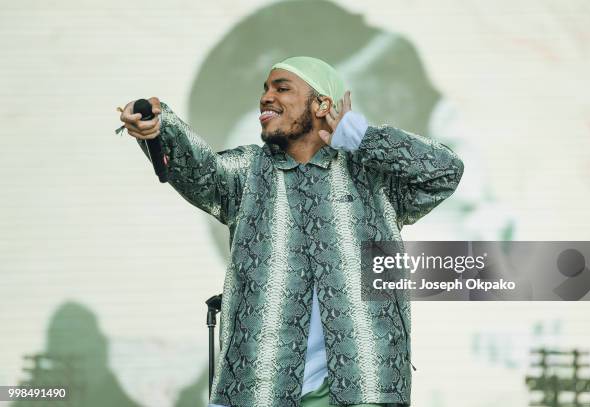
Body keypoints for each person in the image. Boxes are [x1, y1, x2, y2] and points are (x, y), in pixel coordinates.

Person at [119, 56, 464, 407]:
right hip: (259, 389)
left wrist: (359, 136)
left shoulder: (373, 179)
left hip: (364, 388)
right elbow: (199, 170)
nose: (266, 97)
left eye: (282, 88)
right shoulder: (247, 172)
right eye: (265, 89)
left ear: (322, 104)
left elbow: (445, 172)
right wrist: (161, 126)